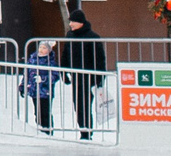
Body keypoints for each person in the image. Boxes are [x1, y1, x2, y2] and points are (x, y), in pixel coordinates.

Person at [60, 8, 107, 138]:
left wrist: (99, 79)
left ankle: (87, 132)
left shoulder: (93, 37)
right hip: (76, 77)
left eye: (73, 22)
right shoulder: (70, 35)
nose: (70, 24)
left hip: (89, 78)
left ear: (80, 22)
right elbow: (65, 54)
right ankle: (83, 129)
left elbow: (100, 59)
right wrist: (63, 71)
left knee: (85, 105)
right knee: (79, 106)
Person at [20, 39, 60, 133]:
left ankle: (47, 130)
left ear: (49, 50)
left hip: (45, 92)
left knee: (45, 112)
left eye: (44, 48)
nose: (41, 49)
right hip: (34, 91)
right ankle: (41, 129)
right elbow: (26, 74)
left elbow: (55, 75)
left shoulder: (50, 62)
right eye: (40, 47)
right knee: (37, 113)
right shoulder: (32, 60)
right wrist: (23, 86)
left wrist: (43, 79)